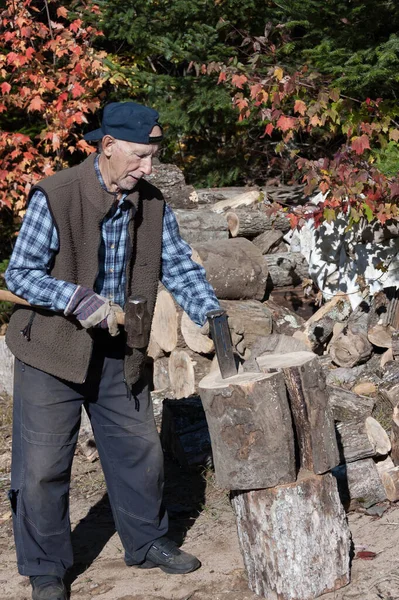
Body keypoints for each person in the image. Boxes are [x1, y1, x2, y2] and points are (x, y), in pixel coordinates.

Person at [5, 101, 220, 600]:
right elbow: (19, 274)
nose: (149, 168)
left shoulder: (151, 202)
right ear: (107, 148)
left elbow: (179, 267)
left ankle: (145, 542)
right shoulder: (56, 194)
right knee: (42, 467)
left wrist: (209, 312)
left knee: (139, 451)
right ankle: (45, 569)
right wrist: (79, 299)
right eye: (141, 157)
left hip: (119, 349)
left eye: (154, 157)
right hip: (51, 351)